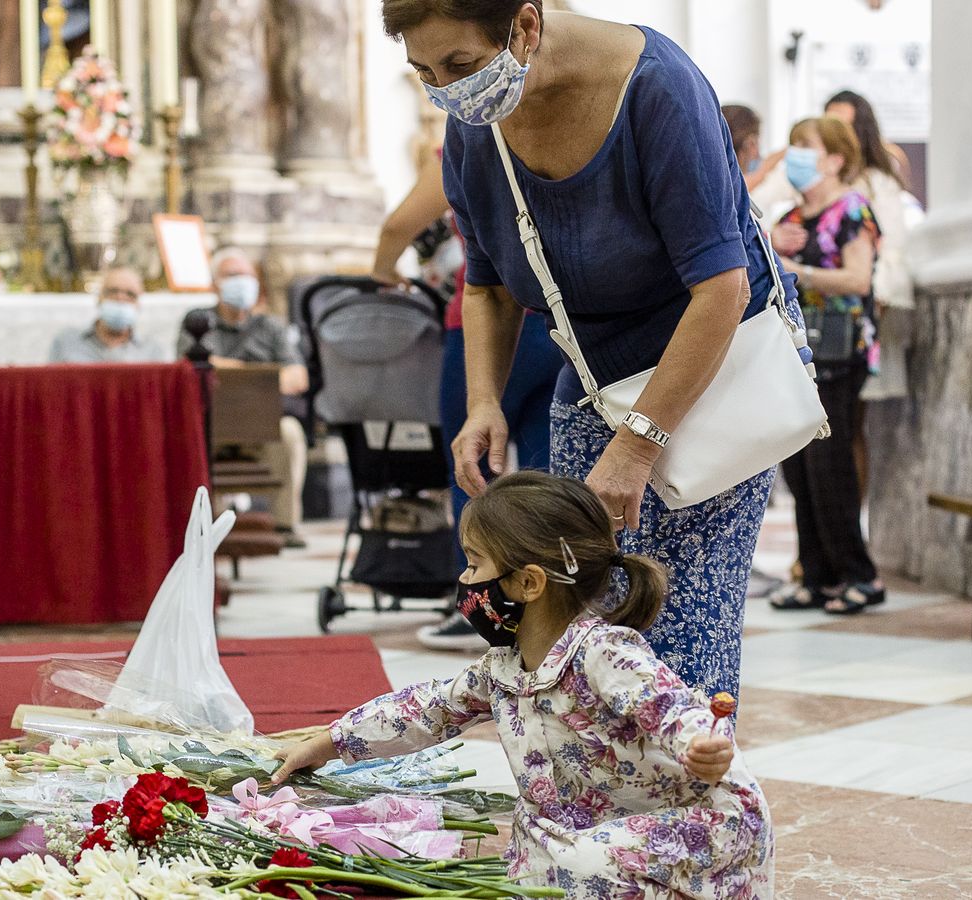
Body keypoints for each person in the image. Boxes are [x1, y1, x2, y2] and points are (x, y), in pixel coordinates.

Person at [382, 1, 800, 699]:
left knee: (676, 625)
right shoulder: (476, 125)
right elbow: (485, 284)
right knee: (570, 611)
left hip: (709, 368)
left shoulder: (657, 88)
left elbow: (719, 290)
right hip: (591, 369)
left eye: (458, 65)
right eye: (422, 70)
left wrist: (638, 447)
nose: (445, 88)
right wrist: (484, 399)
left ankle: (689, 799)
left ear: (524, 26)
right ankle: (585, 797)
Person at [273, 471, 774, 898]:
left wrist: (704, 746)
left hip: (693, 824)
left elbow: (672, 709)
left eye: (474, 563)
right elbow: (426, 709)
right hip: (579, 827)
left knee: (574, 864)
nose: (466, 582)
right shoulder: (502, 667)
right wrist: (327, 743)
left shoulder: (603, 652)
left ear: (529, 583)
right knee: (534, 855)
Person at [371, 146, 565, 652]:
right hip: (557, 321)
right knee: (548, 469)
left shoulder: (464, 144)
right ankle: (551, 603)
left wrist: (383, 272)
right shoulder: (551, 130)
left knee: (474, 463)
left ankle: (482, 604)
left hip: (486, 325)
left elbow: (398, 226)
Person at [768, 116, 884, 615]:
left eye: (806, 147)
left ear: (835, 159)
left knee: (830, 465)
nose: (795, 154)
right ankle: (814, 575)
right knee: (798, 467)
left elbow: (858, 279)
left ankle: (859, 575)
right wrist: (771, 245)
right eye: (792, 144)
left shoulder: (853, 209)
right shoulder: (791, 219)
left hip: (838, 351)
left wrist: (801, 272)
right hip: (796, 353)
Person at [180, 248, 311, 549]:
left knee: (290, 433)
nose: (241, 282)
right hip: (211, 424)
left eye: (246, 276)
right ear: (215, 284)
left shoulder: (271, 327)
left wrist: (230, 372)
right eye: (231, 275)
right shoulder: (197, 321)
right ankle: (201, 527)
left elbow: (297, 377)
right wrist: (259, 375)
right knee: (187, 436)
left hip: (260, 425)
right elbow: (187, 368)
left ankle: (285, 524)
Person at [824, 89, 917, 472]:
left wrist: (870, 303)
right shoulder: (821, 179)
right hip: (819, 315)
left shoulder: (878, 183)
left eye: (844, 126)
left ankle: (850, 521)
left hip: (854, 317)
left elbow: (892, 247)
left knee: (847, 427)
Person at [48, 267, 170, 363]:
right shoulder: (66, 342)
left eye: (130, 294)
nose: (121, 299)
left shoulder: (152, 351)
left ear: (138, 303)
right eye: (113, 291)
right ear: (99, 298)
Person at [720, 103, 782, 195]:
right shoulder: (731, 190)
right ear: (750, 143)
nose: (757, 154)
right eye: (756, 141)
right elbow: (739, 188)